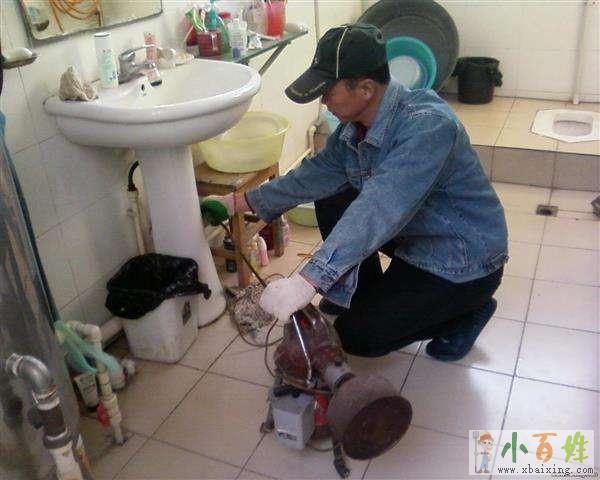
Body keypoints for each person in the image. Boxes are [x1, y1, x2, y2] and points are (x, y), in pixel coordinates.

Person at [202, 23, 508, 361]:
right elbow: (313, 175)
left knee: (356, 337)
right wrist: (237, 202)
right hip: (414, 234)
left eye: (328, 91)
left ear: (365, 88)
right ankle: (368, 295)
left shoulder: (428, 126)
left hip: (460, 256)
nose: (322, 101)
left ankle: (468, 313)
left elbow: (379, 207)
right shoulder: (354, 128)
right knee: (332, 193)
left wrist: (308, 280)